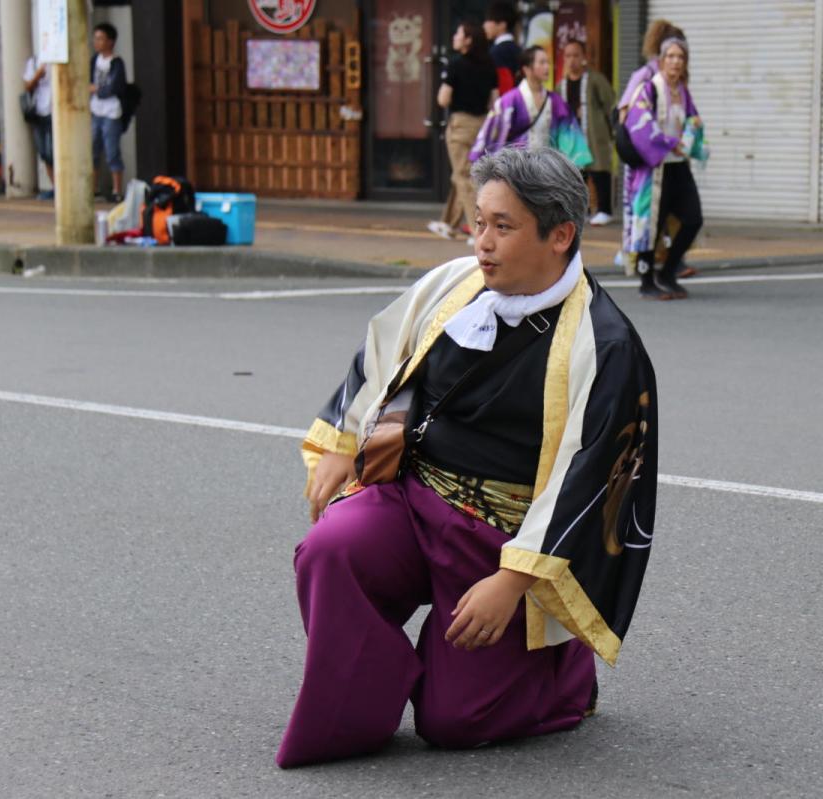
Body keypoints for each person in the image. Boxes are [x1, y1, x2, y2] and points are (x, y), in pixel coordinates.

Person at [276, 147, 658, 767]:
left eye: (503, 227)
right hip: (415, 498)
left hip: (506, 541)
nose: (482, 242)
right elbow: (384, 356)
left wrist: (512, 581)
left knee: (454, 722)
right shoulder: (456, 285)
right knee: (332, 549)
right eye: (479, 222)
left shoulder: (603, 344)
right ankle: (355, 704)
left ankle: (562, 675)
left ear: (560, 235)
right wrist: (344, 444)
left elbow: (592, 483)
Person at [621, 37, 706, 301]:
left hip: (678, 166)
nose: (676, 62)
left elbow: (693, 119)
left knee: (693, 219)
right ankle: (647, 281)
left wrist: (692, 136)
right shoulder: (649, 89)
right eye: (670, 56)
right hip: (653, 168)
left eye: (681, 57)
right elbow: (640, 122)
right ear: (661, 60)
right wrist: (670, 143)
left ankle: (668, 271)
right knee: (651, 226)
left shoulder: (683, 91)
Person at [428, 21, 497, 243]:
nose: (455, 36)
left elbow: (443, 98)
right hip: (482, 124)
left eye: (459, 33)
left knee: (464, 176)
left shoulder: (456, 64)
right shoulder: (489, 65)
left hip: (460, 124)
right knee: (462, 174)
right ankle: (449, 223)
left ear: (468, 40)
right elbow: (494, 100)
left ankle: (478, 228)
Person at [469, 46, 592, 169]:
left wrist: (571, 163)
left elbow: (568, 132)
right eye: (542, 62)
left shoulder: (555, 101)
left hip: (547, 169)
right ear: (527, 69)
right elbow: (493, 132)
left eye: (548, 63)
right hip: (516, 169)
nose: (547, 67)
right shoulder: (510, 101)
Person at [558, 38, 616, 227]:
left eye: (576, 55)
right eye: (568, 56)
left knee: (599, 172)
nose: (572, 60)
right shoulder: (561, 85)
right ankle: (582, 210)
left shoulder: (595, 79)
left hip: (594, 133)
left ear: (584, 57)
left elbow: (610, 105)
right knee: (575, 175)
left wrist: (614, 131)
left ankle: (605, 210)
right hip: (572, 136)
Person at [90, 22, 127, 203]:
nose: (96, 42)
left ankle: (117, 190)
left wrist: (96, 89)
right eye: (95, 38)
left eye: (100, 38)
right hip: (95, 110)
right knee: (92, 151)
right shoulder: (93, 60)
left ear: (110, 41)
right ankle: (93, 188)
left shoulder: (117, 62)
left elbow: (115, 87)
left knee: (112, 152)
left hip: (112, 112)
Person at [22, 56, 54, 200]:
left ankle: (62, 187)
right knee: (44, 152)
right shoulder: (34, 62)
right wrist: (38, 75)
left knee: (53, 151)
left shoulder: (58, 59)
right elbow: (27, 86)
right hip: (39, 112)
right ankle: (55, 187)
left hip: (55, 112)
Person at [483, 2, 521, 95]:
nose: (484, 25)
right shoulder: (519, 50)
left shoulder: (496, 52)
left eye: (488, 21)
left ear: (502, 25)